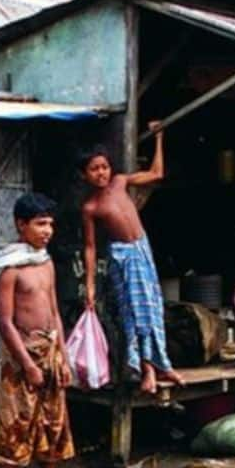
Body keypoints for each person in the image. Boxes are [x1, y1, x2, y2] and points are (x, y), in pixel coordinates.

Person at [80, 122, 184, 394]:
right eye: (94, 169)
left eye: (103, 166)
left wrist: (159, 137)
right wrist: (89, 285)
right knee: (135, 313)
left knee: (153, 308)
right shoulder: (91, 207)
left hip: (142, 249)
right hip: (123, 258)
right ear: (85, 176)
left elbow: (156, 173)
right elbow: (90, 247)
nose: (101, 173)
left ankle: (163, 365)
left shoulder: (120, 182)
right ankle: (146, 370)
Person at [0, 193, 79, 468]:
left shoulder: (45, 263)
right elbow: (4, 321)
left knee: (54, 422)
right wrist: (27, 364)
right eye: (40, 223)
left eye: (50, 224)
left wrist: (64, 357)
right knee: (17, 424)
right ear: (21, 224)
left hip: (52, 351)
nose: (47, 231)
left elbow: (55, 311)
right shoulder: (10, 270)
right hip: (23, 356)